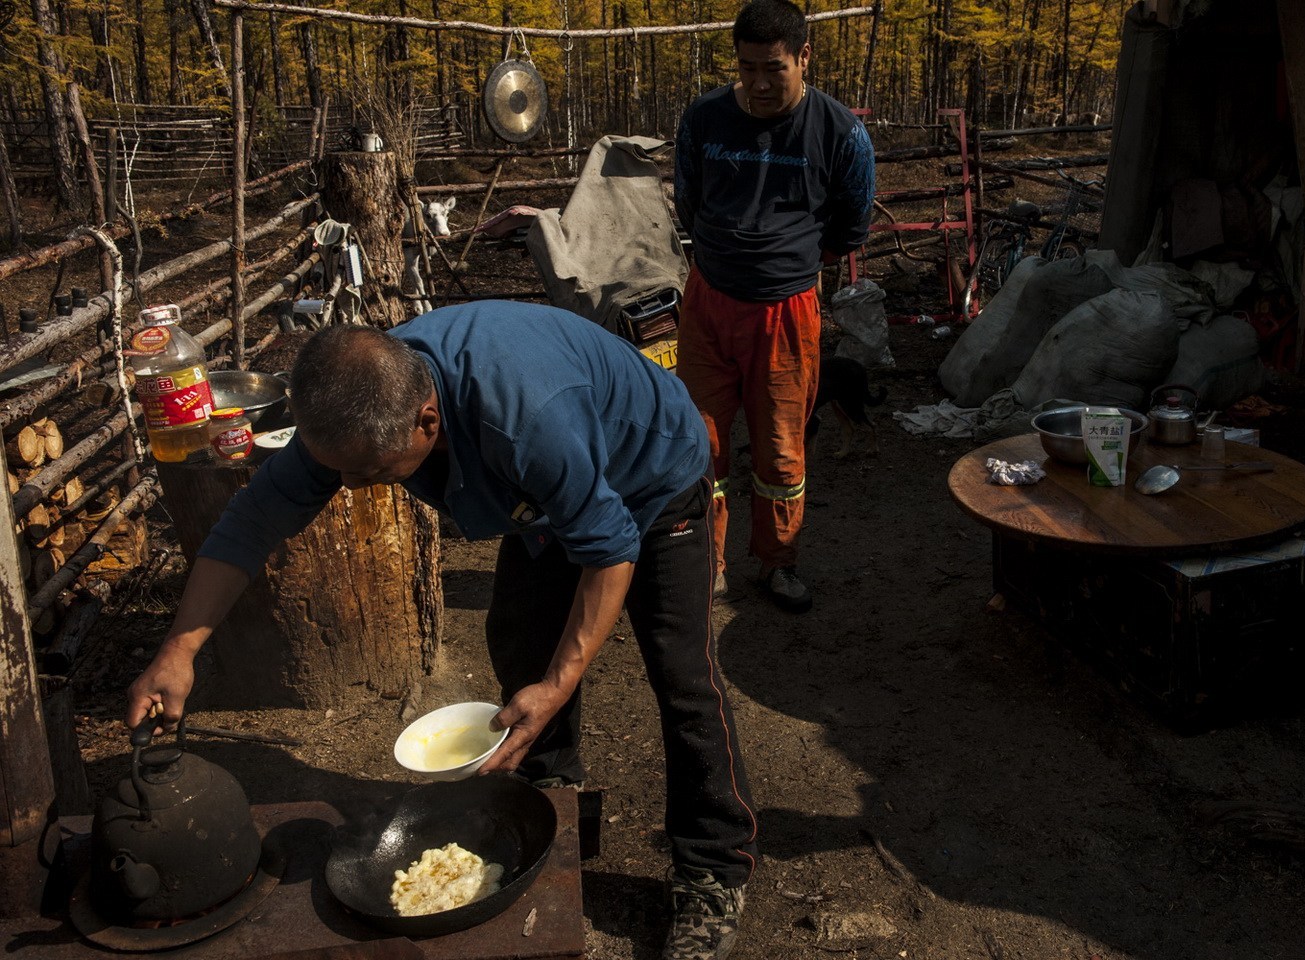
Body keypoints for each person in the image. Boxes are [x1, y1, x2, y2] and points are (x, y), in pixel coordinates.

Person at [125, 306, 759, 960]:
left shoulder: (523, 418)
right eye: (339, 470)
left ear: (427, 422)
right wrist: (179, 651)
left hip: (651, 473)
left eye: (368, 472)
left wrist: (562, 682)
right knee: (520, 643)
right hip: (547, 493)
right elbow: (250, 522)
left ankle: (714, 870)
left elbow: (610, 546)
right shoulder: (358, 407)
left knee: (682, 678)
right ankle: (550, 803)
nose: (347, 485)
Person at [673, 0, 875, 614]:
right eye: (747, 67)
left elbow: (852, 225)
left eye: (774, 68)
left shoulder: (841, 133)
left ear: (804, 58)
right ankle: (704, 564)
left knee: (781, 448)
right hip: (708, 304)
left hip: (786, 314)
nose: (759, 83)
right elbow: (688, 201)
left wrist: (786, 263)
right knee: (698, 444)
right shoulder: (704, 120)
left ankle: (778, 563)